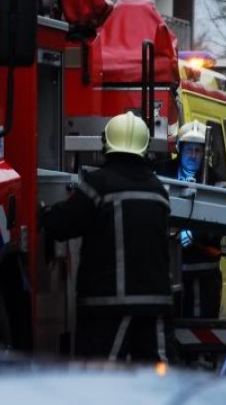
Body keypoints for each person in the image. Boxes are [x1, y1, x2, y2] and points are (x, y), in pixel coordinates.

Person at [40, 112, 172, 362]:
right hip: (155, 305)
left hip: (106, 308)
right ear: (144, 148)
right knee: (158, 381)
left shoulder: (98, 185)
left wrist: (43, 214)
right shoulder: (159, 190)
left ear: (107, 145)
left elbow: (64, 223)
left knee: (101, 382)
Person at [157, 121, 225, 319]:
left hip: (201, 270)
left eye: (198, 150)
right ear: (179, 149)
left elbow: (220, 219)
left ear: (205, 153)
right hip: (167, 267)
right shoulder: (162, 172)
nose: (193, 155)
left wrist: (195, 233)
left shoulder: (215, 180)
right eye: (189, 150)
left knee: (198, 322)